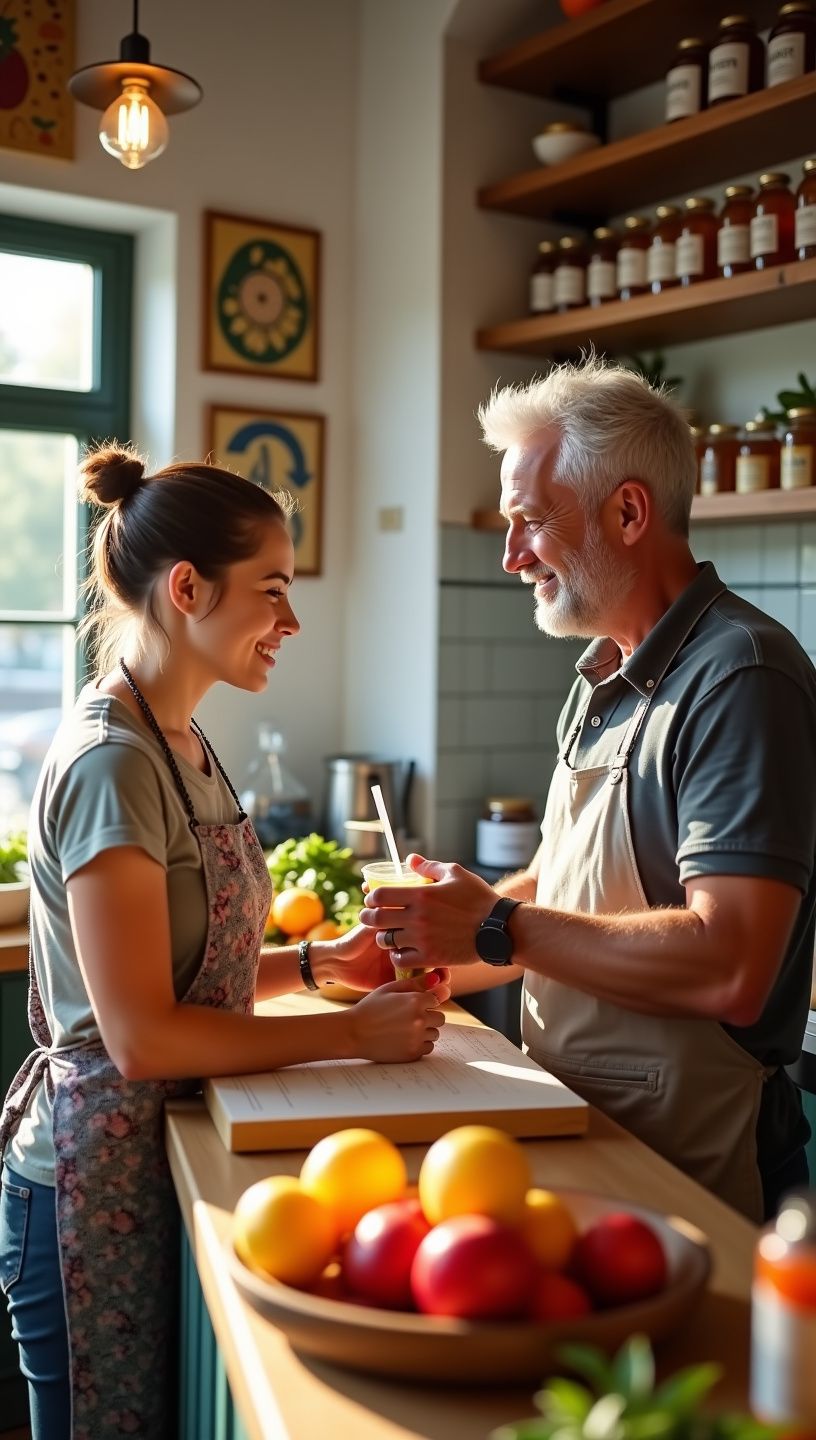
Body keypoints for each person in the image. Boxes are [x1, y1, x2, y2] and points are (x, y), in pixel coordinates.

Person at [0, 445, 449, 1440]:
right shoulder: (115, 761)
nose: (291, 621)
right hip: (85, 1185)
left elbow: (189, 978)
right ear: (188, 588)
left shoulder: (186, 740)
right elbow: (143, 1038)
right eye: (274, 592)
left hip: (159, 1155)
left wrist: (322, 966)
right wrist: (352, 1036)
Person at [362, 356, 816, 1224]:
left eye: (530, 521)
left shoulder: (742, 677)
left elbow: (733, 967)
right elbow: (560, 883)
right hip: (588, 1128)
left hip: (699, 1164)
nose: (509, 556)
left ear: (630, 511)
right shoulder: (601, 673)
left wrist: (495, 925)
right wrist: (422, 953)